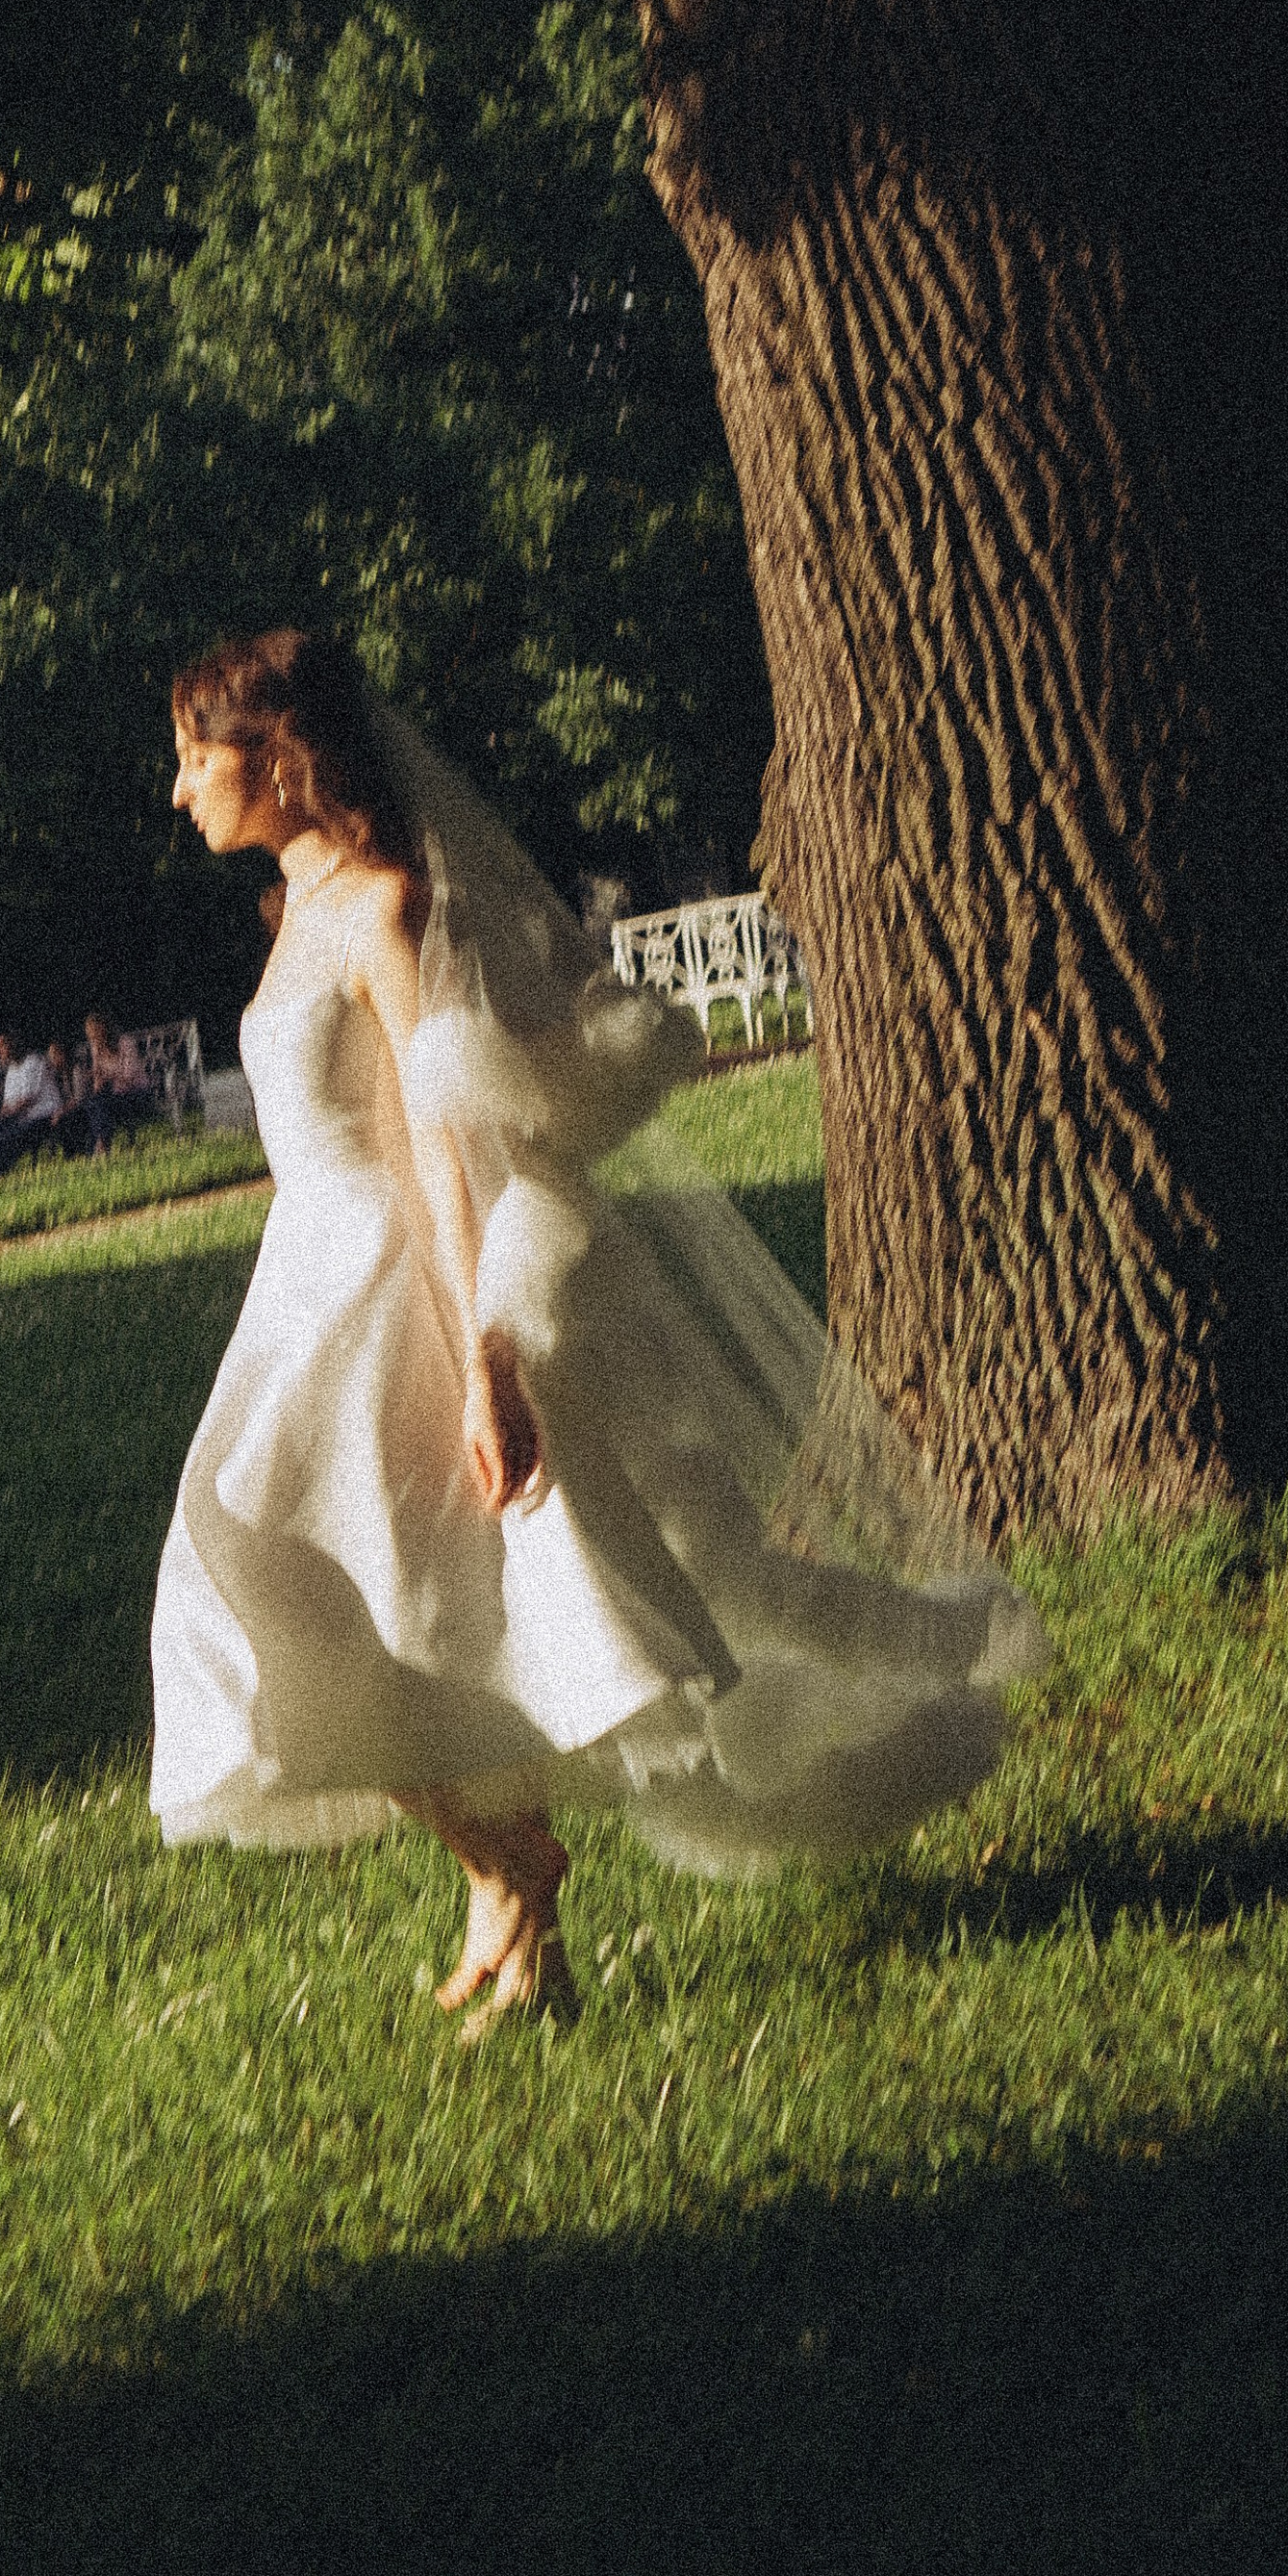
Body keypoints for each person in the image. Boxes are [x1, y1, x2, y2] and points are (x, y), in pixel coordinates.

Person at [149, 629, 1048, 2042]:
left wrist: (487, 1355)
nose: (179, 788)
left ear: (275, 755)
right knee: (272, 1600)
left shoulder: (388, 907)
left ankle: (514, 1882)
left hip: (397, 1292)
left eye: (195, 756)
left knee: (409, 1604)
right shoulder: (293, 909)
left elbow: (452, 1146)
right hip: (305, 1288)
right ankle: (511, 1877)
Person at [0, 1031, 66, 1183]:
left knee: (6, 1139)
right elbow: (9, 1102)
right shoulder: (12, 1069)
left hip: (43, 1115)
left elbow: (26, 1100)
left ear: (13, 1046)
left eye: (3, 1045)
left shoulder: (33, 1062)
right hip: (22, 1116)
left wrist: (0, 1115)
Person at [78, 1012, 156, 1154]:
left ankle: (101, 1147)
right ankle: (100, 1145)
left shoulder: (125, 1042)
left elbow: (129, 1075)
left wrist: (107, 1076)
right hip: (116, 1094)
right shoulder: (96, 1048)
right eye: (89, 1034)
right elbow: (98, 1077)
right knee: (93, 1104)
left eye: (94, 1032)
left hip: (136, 1092)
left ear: (103, 1029)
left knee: (101, 1105)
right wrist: (95, 1081)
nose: (92, 1038)